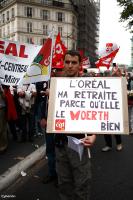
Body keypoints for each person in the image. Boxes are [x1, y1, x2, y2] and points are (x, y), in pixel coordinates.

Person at [54, 50, 96, 200]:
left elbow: (96, 111)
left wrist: (93, 136)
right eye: (67, 62)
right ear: (63, 63)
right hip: (60, 141)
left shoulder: (88, 85)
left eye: (74, 62)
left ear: (79, 65)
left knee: (82, 182)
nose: (70, 66)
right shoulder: (56, 83)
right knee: (64, 182)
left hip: (79, 141)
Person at [40, 67, 64, 185]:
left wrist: (54, 93)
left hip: (61, 125)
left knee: (61, 151)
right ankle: (52, 173)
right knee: (50, 150)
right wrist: (42, 118)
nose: (56, 72)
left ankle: (62, 177)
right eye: (55, 69)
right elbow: (44, 105)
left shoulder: (68, 86)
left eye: (59, 69)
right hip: (49, 124)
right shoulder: (49, 85)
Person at [102, 68, 123, 152]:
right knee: (105, 128)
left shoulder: (116, 82)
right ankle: (108, 145)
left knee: (115, 127)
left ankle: (119, 144)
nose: (106, 75)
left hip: (114, 109)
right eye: (105, 74)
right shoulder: (103, 82)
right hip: (104, 109)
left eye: (108, 74)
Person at [0, 84, 8, 153]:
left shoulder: (1, 85)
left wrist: (1, 91)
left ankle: (3, 146)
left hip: (1, 109)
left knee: (1, 128)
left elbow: (5, 97)